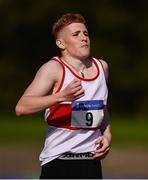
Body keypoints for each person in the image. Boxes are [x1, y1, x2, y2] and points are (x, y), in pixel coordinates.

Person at [15, 13, 112, 179]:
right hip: (59, 161)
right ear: (61, 43)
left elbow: (101, 107)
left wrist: (107, 134)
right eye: (76, 34)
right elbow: (22, 107)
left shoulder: (102, 67)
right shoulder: (54, 69)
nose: (84, 38)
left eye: (85, 33)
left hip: (91, 161)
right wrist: (61, 96)